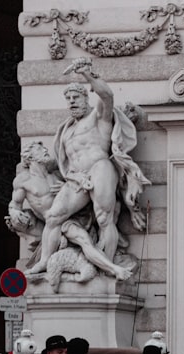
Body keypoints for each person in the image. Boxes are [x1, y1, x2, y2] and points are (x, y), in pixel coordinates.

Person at [24, 57, 148, 279]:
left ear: (85, 97)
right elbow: (62, 162)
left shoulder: (98, 117)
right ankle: (44, 261)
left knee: (103, 218)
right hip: (77, 179)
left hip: (100, 168)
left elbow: (107, 95)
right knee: (53, 217)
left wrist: (88, 75)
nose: (71, 102)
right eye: (68, 99)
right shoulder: (66, 130)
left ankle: (106, 268)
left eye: (76, 97)